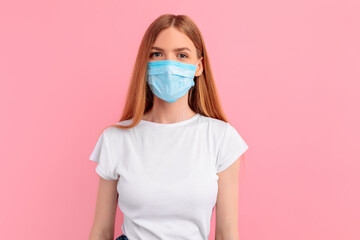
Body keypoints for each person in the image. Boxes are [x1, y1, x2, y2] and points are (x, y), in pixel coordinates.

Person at [88, 14, 249, 240]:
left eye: (182, 55)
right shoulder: (115, 138)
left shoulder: (222, 138)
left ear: (199, 67)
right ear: (145, 64)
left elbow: (227, 234)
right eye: (157, 54)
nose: (169, 65)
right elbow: (101, 231)